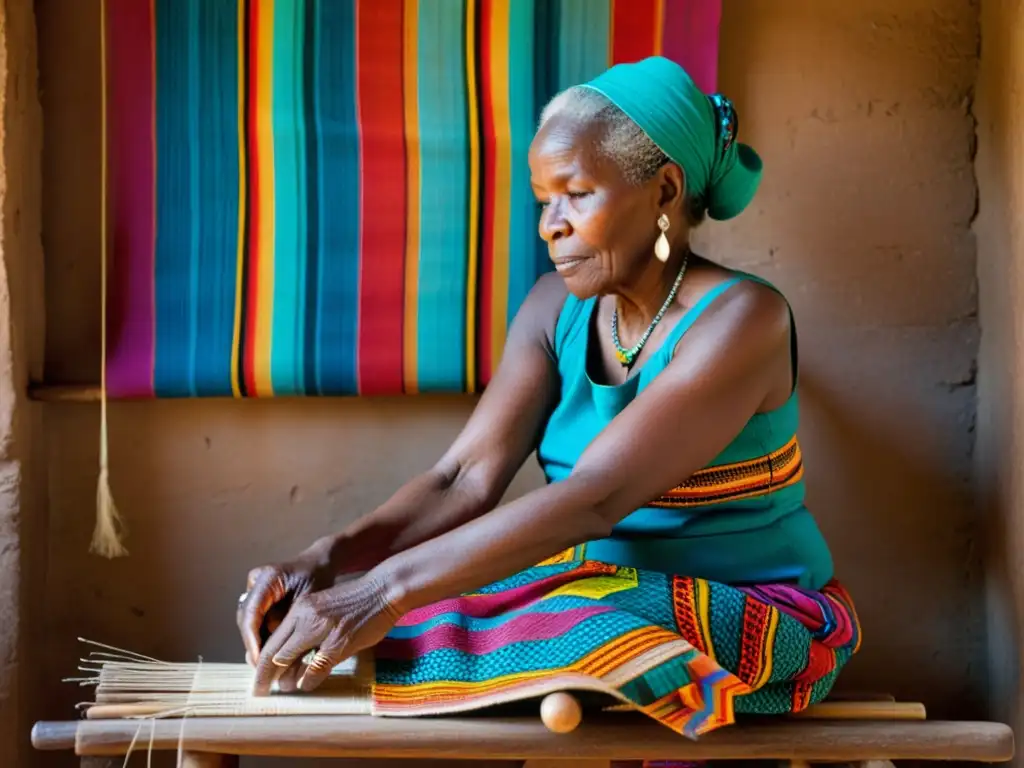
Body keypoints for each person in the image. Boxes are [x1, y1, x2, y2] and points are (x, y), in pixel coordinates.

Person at [235, 56, 860, 737]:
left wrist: (380, 589)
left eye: (577, 193)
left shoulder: (744, 320)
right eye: (544, 200)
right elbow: (461, 479)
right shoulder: (550, 309)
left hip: (753, 615)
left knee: (511, 621)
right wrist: (328, 564)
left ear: (664, 191)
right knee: (427, 619)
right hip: (596, 593)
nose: (549, 225)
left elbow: (592, 498)